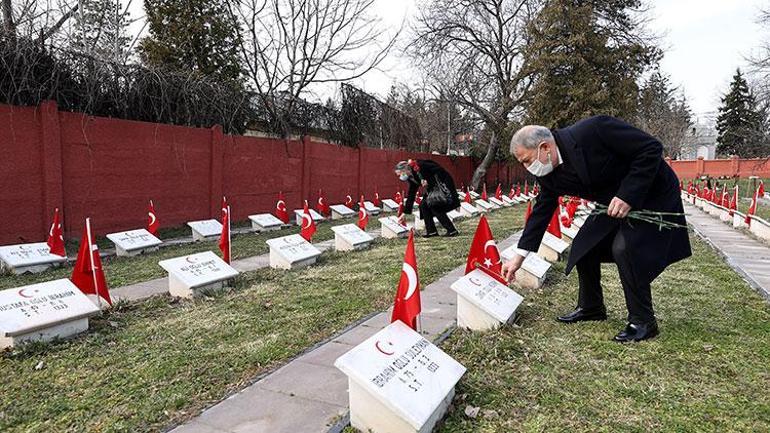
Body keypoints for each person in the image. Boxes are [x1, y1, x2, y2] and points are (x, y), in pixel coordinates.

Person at [501, 116, 692, 342]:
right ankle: (591, 307)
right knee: (584, 245)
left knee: (625, 248)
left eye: (527, 161)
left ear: (545, 148)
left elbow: (650, 148)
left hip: (651, 194)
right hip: (612, 202)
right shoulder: (548, 173)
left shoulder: (594, 130)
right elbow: (543, 209)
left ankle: (643, 321)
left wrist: (627, 195)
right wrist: (519, 256)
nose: (528, 168)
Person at [395, 159, 461, 237]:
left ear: (405, 170)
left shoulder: (420, 165)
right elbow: (411, 194)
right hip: (432, 189)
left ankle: (451, 230)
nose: (400, 177)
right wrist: (405, 213)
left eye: (399, 174)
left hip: (443, 185)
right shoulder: (411, 177)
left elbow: (439, 170)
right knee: (423, 206)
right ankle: (431, 231)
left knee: (434, 205)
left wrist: (429, 181)